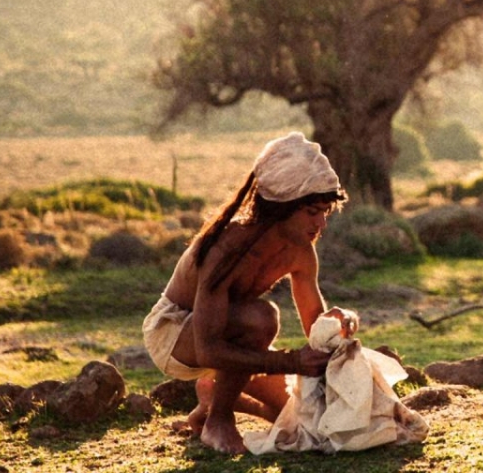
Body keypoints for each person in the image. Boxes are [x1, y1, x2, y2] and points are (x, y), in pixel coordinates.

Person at [142, 131, 358, 454]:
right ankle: (219, 421)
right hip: (176, 334)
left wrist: (339, 323)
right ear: (281, 206)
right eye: (312, 212)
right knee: (263, 318)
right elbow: (209, 350)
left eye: (325, 212)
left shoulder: (301, 252)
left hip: (230, 338)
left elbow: (315, 326)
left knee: (301, 418)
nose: (321, 224)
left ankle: (212, 402)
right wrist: (289, 361)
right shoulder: (226, 247)